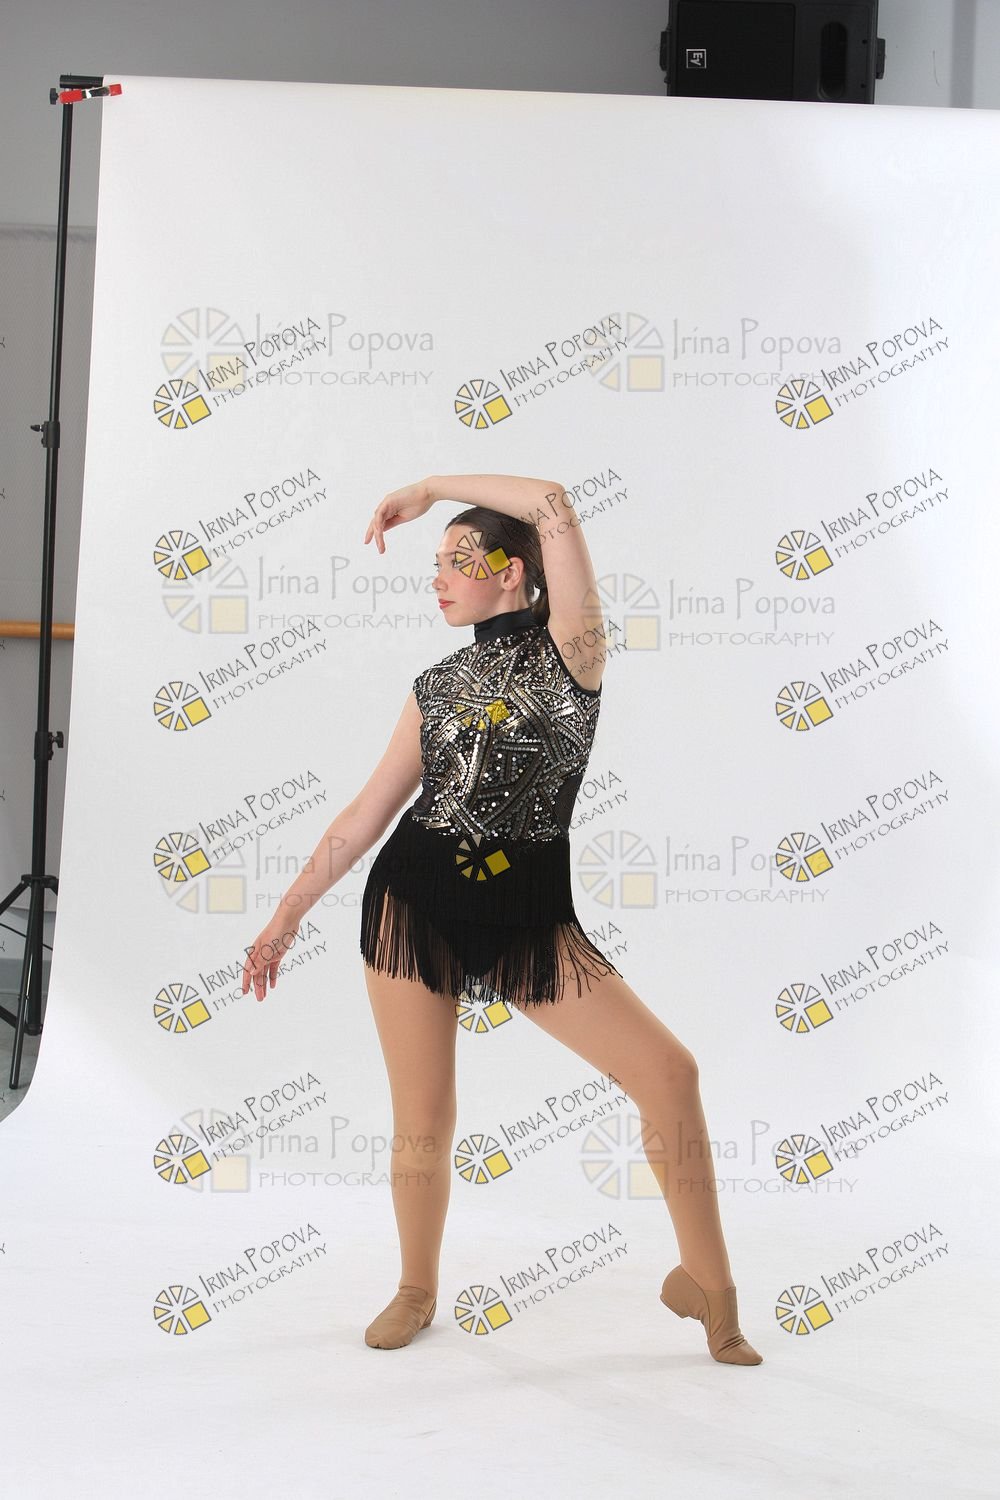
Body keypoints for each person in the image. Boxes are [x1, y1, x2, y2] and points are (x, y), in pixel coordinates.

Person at [241, 473, 763, 1366]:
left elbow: (552, 501)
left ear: (511, 570)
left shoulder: (574, 652)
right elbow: (366, 814)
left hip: (526, 915)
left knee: (669, 1074)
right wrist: (284, 918)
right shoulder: (436, 685)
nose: (438, 577)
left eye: (457, 559)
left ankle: (710, 1292)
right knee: (423, 1117)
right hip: (415, 903)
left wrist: (431, 486)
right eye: (435, 563)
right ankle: (415, 1288)